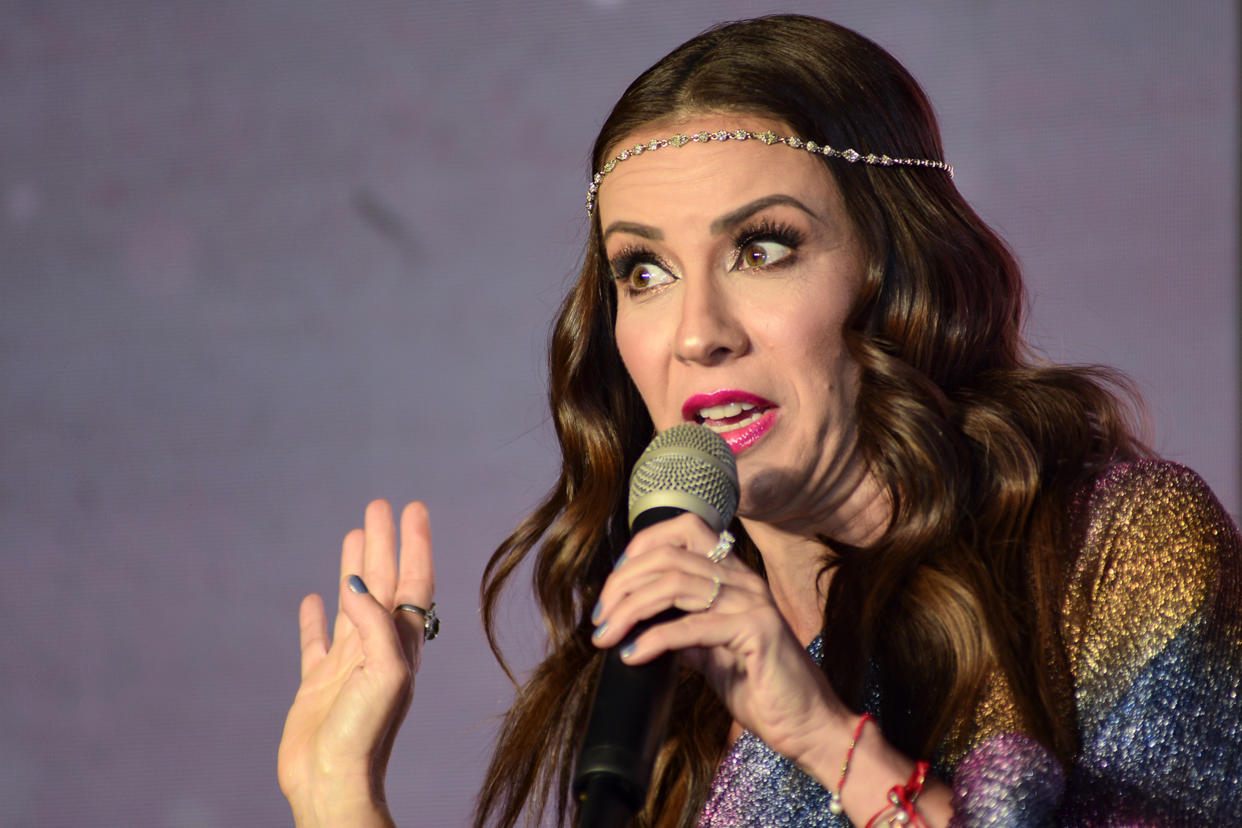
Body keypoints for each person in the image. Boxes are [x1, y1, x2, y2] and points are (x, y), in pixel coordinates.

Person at [278, 14, 1242, 827]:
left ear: (895, 271)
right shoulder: (658, 664)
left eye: (763, 248)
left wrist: (823, 737)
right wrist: (338, 796)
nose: (697, 333)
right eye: (642, 272)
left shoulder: (1107, 542)